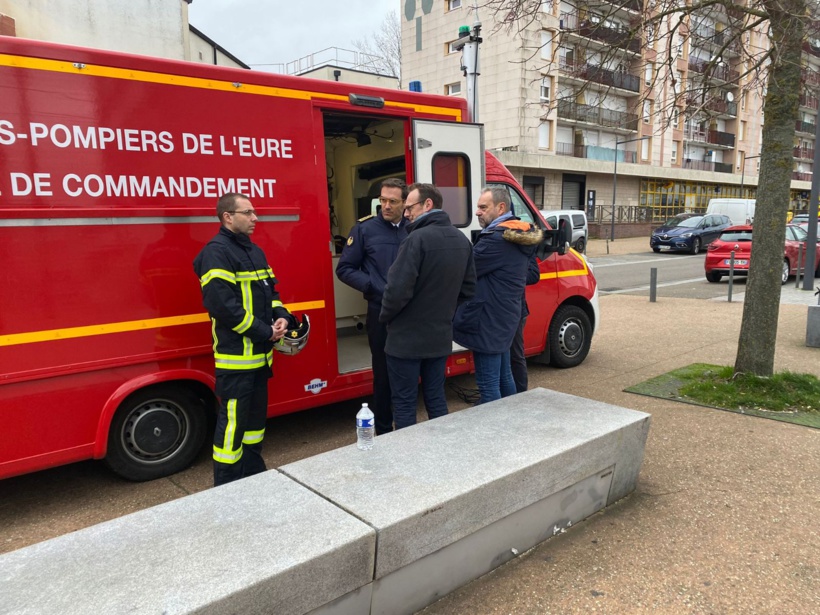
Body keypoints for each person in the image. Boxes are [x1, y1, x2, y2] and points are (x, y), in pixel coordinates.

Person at [193, 192, 293, 487]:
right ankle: (226, 486)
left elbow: (270, 294)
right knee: (232, 428)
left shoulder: (254, 251)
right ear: (228, 217)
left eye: (254, 212)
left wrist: (282, 316)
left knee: (253, 427)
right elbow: (223, 307)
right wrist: (265, 332)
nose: (255, 218)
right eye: (247, 213)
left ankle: (252, 476)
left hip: (260, 359)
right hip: (237, 362)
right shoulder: (217, 252)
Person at [379, 183, 476, 429]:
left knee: (404, 403)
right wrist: (444, 312)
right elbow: (468, 289)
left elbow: (396, 291)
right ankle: (441, 456)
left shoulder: (415, 240)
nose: (407, 213)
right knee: (435, 397)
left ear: (428, 205)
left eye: (410, 207)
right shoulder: (461, 240)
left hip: (405, 341)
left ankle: (409, 463)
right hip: (439, 338)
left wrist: (386, 318)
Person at [453, 186, 542, 404]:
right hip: (505, 316)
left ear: (501, 208)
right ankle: (510, 422)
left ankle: (496, 433)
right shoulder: (519, 235)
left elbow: (465, 271)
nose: (477, 212)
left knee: (489, 385)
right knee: (505, 377)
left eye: (483, 207)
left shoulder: (496, 240)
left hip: (488, 320)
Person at [336, 178, 408, 435]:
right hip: (380, 313)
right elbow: (344, 269)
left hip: (411, 314)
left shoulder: (414, 228)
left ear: (405, 203)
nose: (385, 206)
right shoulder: (365, 230)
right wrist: (374, 286)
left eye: (392, 201)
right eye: (383, 200)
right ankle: (385, 430)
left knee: (408, 372)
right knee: (384, 374)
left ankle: (407, 430)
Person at [510, 252, 541, 393]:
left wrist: (510, 274)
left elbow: (534, 275)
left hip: (517, 310)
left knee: (516, 355)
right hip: (510, 309)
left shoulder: (524, 247)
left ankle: (521, 394)